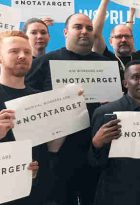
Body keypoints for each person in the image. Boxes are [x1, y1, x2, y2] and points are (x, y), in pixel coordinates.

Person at [25, 13, 109, 205]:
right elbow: (29, 104)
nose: (84, 32)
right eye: (78, 27)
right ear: (65, 32)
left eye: (89, 28)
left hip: (97, 151)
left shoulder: (106, 65)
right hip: (58, 155)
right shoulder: (44, 63)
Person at [89, 61, 140, 205]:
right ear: (125, 83)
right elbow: (94, 163)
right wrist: (96, 144)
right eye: (136, 77)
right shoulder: (106, 112)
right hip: (115, 195)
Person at [0, 30, 48, 205]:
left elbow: (52, 148)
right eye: (14, 51)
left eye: (27, 52)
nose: (22, 56)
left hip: (34, 193)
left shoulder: (40, 99)